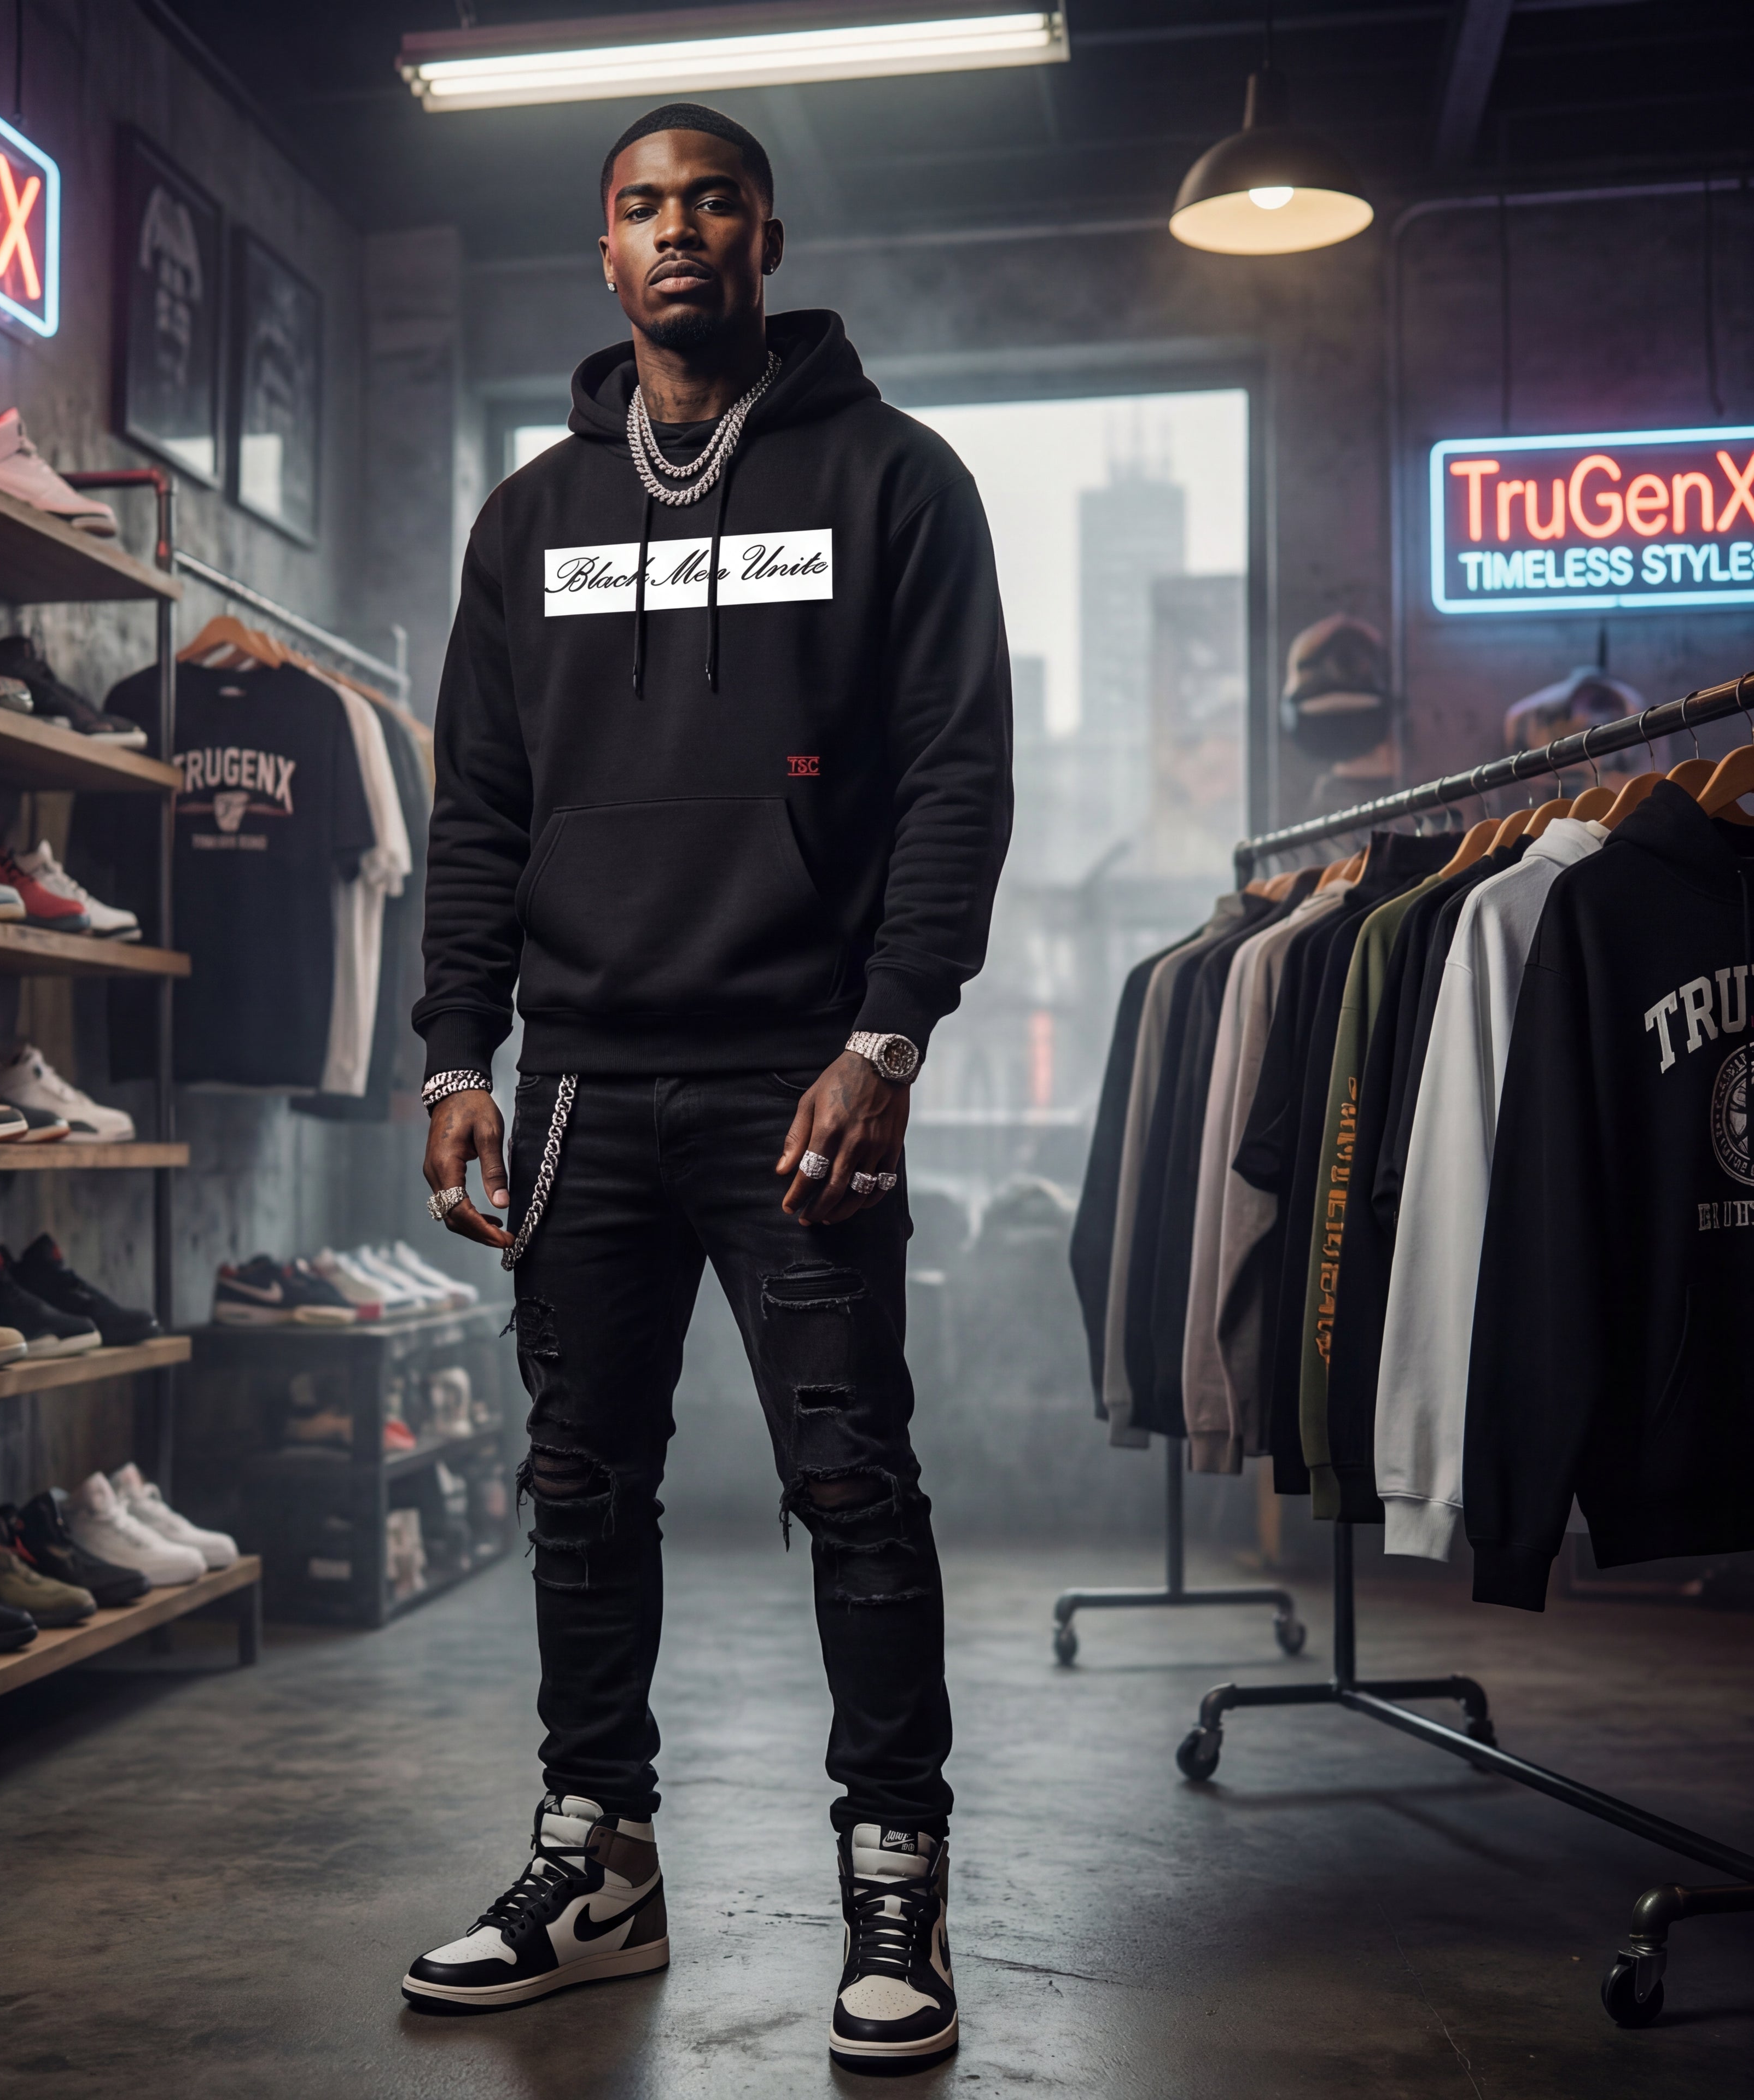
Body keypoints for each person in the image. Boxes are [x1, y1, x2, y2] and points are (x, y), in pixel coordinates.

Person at [403, 101, 1012, 2075]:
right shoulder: (530, 516)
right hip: (580, 1077)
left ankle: (895, 1887)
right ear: (606, 255)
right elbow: (480, 808)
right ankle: (601, 1865)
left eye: (711, 203)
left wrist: (886, 1036)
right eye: (641, 210)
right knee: (580, 1484)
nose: (678, 236)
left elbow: (952, 780)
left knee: (851, 1482)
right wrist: (452, 1051)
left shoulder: (894, 481)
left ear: (766, 231)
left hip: (796, 1080)